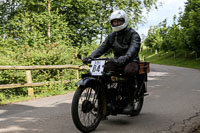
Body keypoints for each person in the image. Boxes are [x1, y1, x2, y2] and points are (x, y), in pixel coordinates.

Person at [83, 10, 141, 113]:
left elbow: (134, 47)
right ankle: (106, 100)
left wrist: (126, 56)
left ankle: (130, 101)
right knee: (103, 71)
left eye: (118, 21)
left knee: (129, 71)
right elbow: (102, 48)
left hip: (131, 61)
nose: (116, 23)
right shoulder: (111, 36)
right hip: (117, 61)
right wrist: (90, 57)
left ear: (124, 21)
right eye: (114, 22)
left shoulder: (133, 34)